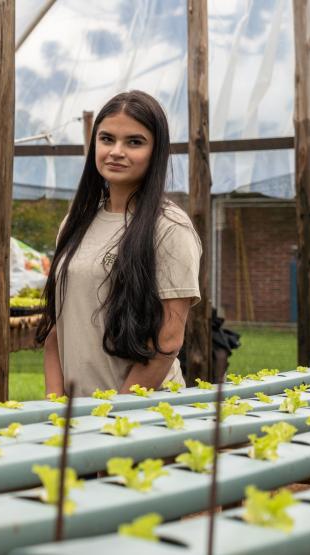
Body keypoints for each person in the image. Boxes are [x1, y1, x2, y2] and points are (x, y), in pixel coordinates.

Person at [37, 90, 201, 398]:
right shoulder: (74, 223)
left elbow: (167, 341)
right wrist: (56, 408)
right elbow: (57, 331)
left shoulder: (170, 228)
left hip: (144, 413)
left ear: (156, 151)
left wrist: (114, 416)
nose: (116, 151)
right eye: (107, 139)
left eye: (134, 142)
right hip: (80, 416)